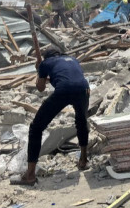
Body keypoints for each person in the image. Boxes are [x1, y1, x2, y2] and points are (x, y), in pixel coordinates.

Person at [11, 47, 90, 186]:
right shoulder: (73, 59)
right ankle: (83, 160)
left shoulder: (45, 63)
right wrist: (46, 74)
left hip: (64, 90)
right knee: (81, 122)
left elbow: (40, 88)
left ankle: (29, 175)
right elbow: (66, 76)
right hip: (83, 89)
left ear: (46, 57)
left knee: (36, 128)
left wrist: (39, 71)